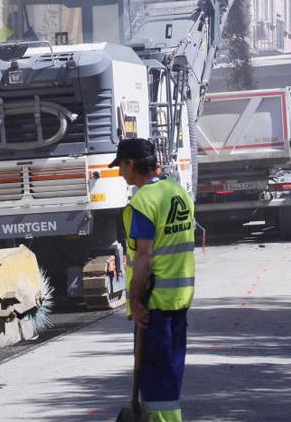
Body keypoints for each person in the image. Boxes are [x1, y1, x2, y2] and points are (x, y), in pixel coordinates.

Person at [111, 138, 195, 422]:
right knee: (170, 375)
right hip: (179, 299)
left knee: (157, 380)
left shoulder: (143, 202)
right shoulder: (177, 193)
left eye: (121, 166)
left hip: (153, 302)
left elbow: (144, 258)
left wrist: (135, 302)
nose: (120, 173)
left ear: (131, 165)